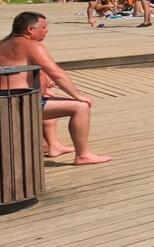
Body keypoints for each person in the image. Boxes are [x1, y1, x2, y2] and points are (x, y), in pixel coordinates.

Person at [0, 11, 111, 164]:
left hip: (6, 100)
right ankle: (83, 155)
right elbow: (56, 73)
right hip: (19, 104)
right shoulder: (31, 45)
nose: (47, 31)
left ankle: (54, 145)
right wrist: (78, 96)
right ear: (30, 29)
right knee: (81, 107)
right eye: (44, 27)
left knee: (47, 98)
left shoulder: (3, 44)